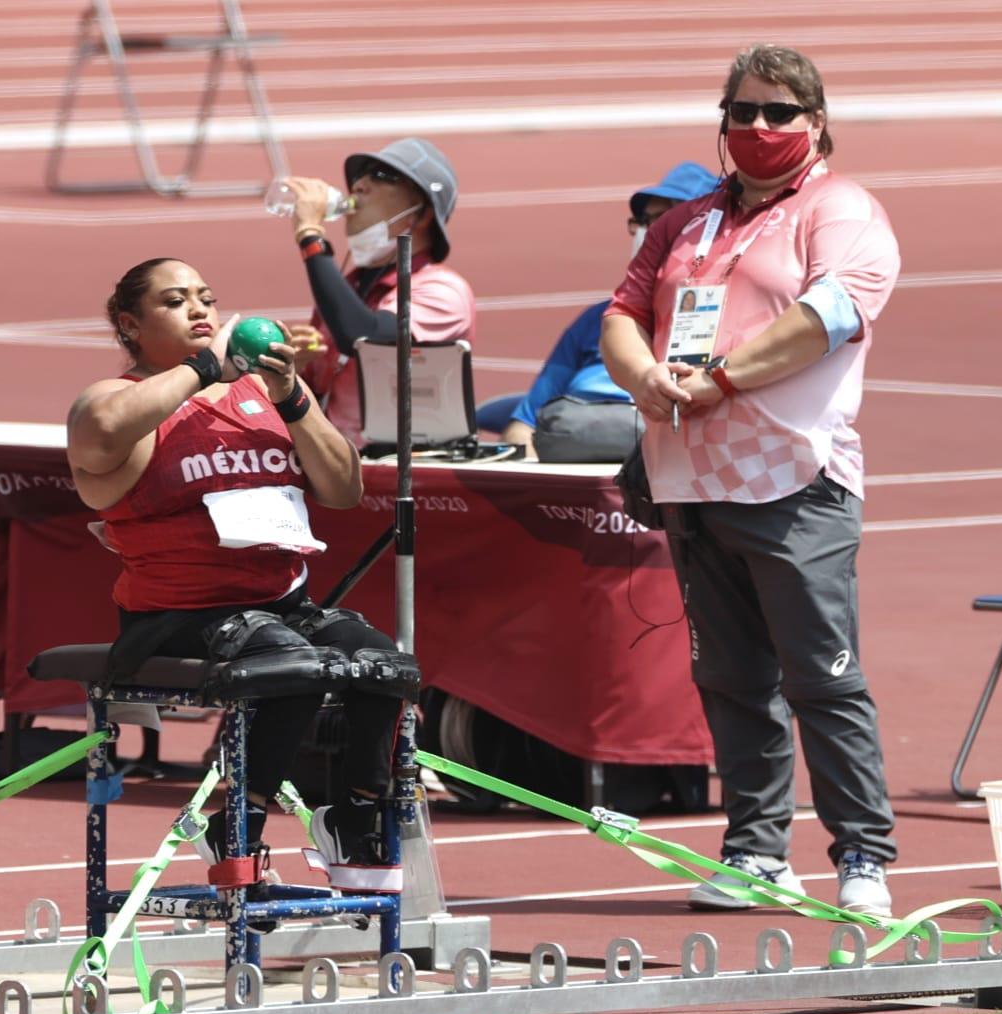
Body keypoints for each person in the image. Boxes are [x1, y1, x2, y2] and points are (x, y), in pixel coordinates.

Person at [601, 44, 901, 915]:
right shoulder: (685, 221)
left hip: (792, 480)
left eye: (779, 112)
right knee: (730, 679)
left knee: (821, 677)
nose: (759, 127)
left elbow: (827, 316)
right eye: (743, 112)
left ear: (815, 122)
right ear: (722, 123)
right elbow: (621, 313)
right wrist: (642, 377)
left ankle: (863, 857)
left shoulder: (841, 210)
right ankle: (755, 851)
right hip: (691, 480)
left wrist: (719, 379)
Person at [65, 257, 403, 892]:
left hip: (280, 607)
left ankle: (354, 818)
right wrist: (201, 370)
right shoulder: (114, 402)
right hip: (177, 616)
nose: (199, 309)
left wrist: (296, 399)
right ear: (130, 324)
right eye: (175, 301)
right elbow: (102, 435)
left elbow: (343, 488)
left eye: (206, 297)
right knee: (289, 666)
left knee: (380, 661)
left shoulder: (259, 399)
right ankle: (237, 822)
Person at [479, 162, 719, 458]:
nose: (650, 230)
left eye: (668, 218)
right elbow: (523, 426)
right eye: (645, 220)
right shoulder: (599, 319)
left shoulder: (721, 321)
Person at [274, 138, 476, 447]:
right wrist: (294, 371)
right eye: (360, 176)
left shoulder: (443, 290)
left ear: (420, 215)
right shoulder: (349, 287)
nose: (359, 186)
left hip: (406, 471)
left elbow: (364, 337)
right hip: (336, 469)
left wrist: (310, 236)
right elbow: (317, 398)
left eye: (381, 176)